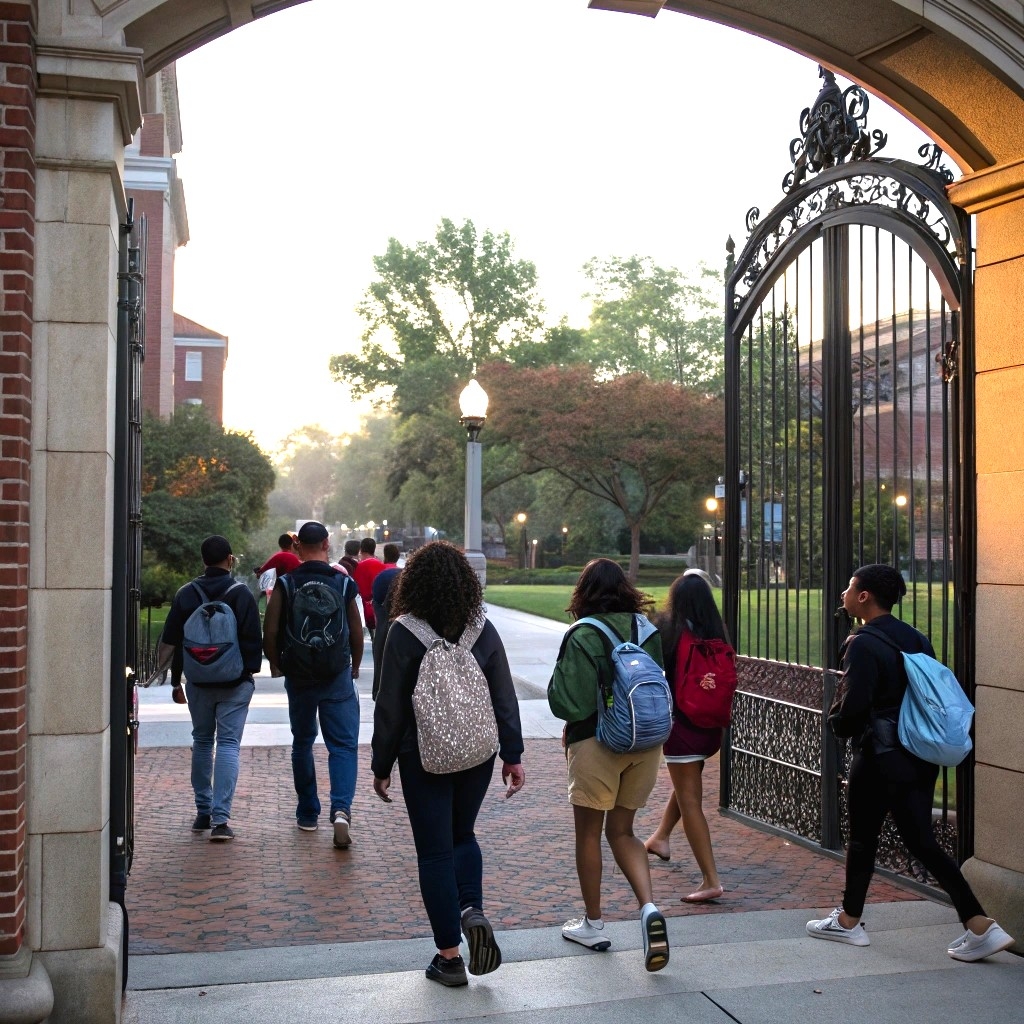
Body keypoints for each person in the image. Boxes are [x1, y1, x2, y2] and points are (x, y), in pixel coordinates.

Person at [807, 563, 1015, 962]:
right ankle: (980, 925)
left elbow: (854, 705)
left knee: (863, 839)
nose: (844, 594)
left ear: (864, 596)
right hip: (920, 755)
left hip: (879, 755)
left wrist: (836, 723)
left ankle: (849, 923)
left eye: (849, 587)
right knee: (922, 841)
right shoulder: (916, 638)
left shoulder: (862, 643)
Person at [371, 541, 525, 987]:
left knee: (434, 850)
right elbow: (504, 695)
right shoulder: (482, 627)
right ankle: (471, 909)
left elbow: (390, 706)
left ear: (413, 582)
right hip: (478, 752)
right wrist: (512, 754)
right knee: (463, 835)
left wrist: (382, 765)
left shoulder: (404, 631)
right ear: (466, 582)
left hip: (424, 756)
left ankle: (450, 958)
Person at [547, 557, 670, 972]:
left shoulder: (582, 634)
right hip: (645, 743)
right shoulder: (647, 630)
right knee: (624, 831)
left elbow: (570, 702)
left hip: (596, 743)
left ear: (583, 593)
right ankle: (649, 907)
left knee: (589, 834)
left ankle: (594, 924)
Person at [263, 520, 364, 847]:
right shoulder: (343, 582)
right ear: (326, 544)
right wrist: (355, 665)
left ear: (296, 548)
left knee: (303, 741)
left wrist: (276, 663)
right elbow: (355, 629)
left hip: (300, 674)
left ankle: (307, 812)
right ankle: (341, 809)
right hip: (336, 674)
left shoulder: (287, 583)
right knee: (343, 744)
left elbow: (271, 628)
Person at [156, 535, 261, 841]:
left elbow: (174, 640)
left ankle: (202, 811)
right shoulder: (241, 594)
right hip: (234, 681)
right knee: (228, 744)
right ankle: (221, 819)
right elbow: (253, 639)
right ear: (229, 559)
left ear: (203, 560)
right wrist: (247, 673)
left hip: (199, 681)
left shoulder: (186, 594)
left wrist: (177, 681)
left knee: (202, 741)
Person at [643, 568, 729, 902]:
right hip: (710, 727)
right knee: (686, 785)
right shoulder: (716, 633)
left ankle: (711, 879)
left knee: (691, 800)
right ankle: (661, 837)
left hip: (682, 726)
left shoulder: (669, 630)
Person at [370, 542, 402, 700]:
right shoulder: (403, 575)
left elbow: (374, 601)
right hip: (401, 626)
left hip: (382, 626)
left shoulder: (380, 576)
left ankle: (377, 691)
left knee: (380, 661)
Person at [254, 532, 300, 605]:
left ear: (280, 545)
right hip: (293, 595)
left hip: (278, 595)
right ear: (291, 545)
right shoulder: (295, 559)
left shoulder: (276, 557)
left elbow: (260, 573)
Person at [353, 537, 385, 640]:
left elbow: (357, 588)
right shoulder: (381, 565)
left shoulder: (360, 566)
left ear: (361, 550)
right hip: (381, 608)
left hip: (367, 608)